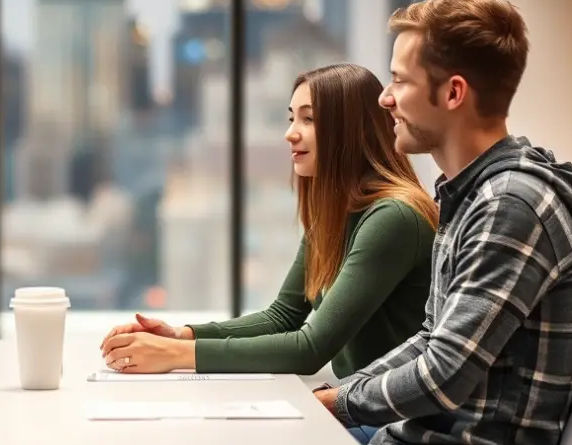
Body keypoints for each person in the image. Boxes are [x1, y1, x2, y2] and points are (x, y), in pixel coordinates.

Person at [166, 0, 572, 445]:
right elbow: (429, 340)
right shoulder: (470, 196)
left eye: (400, 82)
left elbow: (443, 375)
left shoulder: (510, 205)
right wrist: (327, 400)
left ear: (453, 93)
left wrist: (334, 403)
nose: (386, 99)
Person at [101, 63, 437, 379]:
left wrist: (176, 355)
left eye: (309, 119)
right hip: (364, 410)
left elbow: (310, 349)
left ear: (350, 130)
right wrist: (182, 336)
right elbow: (283, 317)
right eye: (292, 119)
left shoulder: (394, 217)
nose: (290, 134)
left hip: (396, 426)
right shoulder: (335, 215)